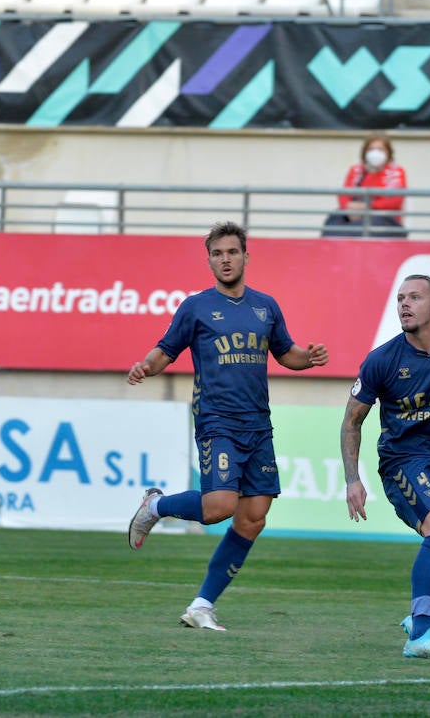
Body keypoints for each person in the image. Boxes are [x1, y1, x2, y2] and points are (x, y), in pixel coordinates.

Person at [125, 221, 328, 631]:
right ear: (210, 260)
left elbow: (286, 354)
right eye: (217, 254)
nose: (225, 260)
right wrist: (146, 366)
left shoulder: (265, 307)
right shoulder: (196, 307)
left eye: (232, 252)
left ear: (246, 257)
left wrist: (310, 357)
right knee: (219, 507)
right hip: (218, 421)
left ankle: (202, 605)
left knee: (253, 517)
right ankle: (155, 506)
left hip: (259, 424)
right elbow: (167, 349)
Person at [341, 274, 430, 660]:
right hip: (403, 463)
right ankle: (420, 634)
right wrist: (353, 480)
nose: (404, 304)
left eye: (414, 297)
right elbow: (352, 422)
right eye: (400, 298)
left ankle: (425, 613)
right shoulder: (382, 360)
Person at [323, 134, 407, 238]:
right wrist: (349, 209)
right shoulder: (356, 170)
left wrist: (367, 207)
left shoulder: (396, 172)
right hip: (354, 216)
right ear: (365, 152)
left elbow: (395, 201)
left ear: (388, 152)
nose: (375, 153)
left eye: (380, 149)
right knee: (334, 220)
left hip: (383, 219)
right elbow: (344, 195)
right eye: (371, 149)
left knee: (362, 228)